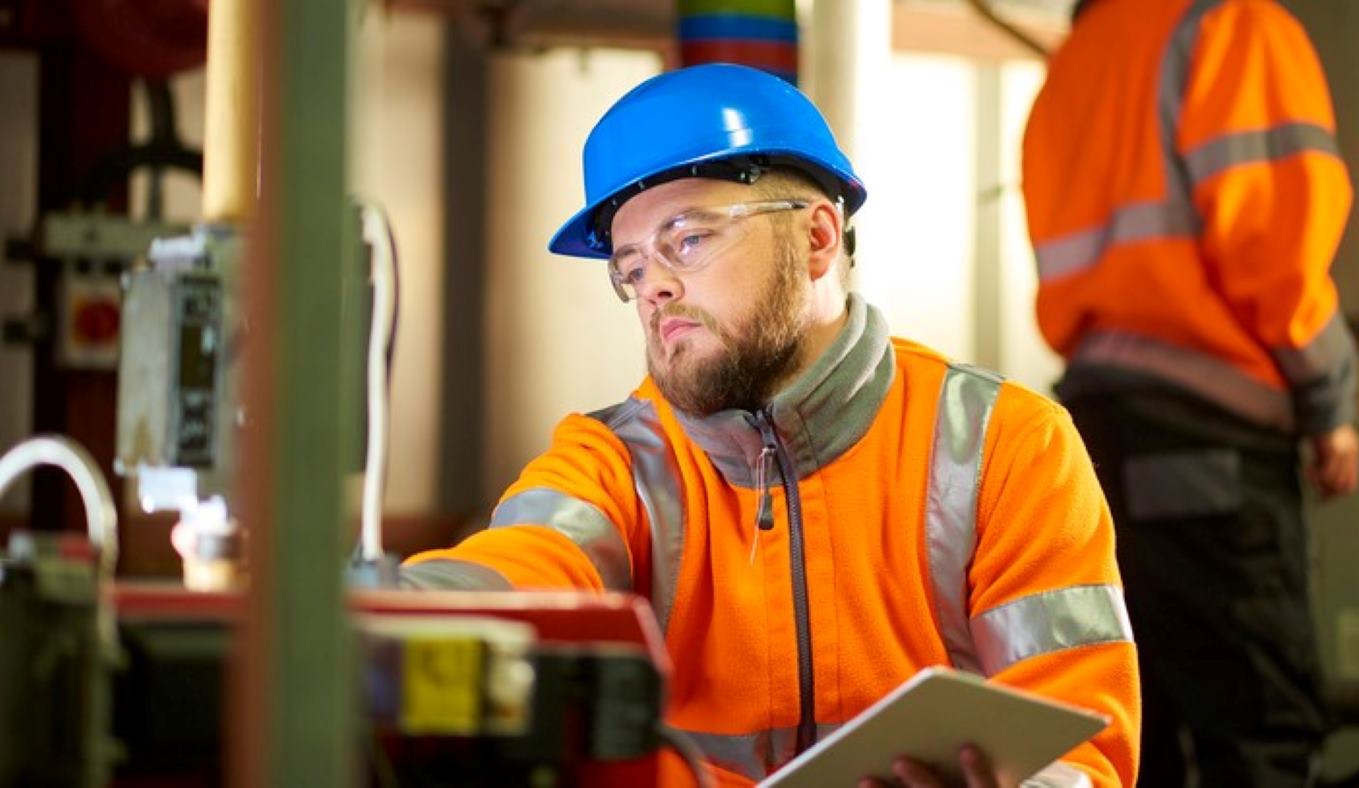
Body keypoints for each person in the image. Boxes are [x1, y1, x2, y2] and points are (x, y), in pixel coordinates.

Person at [405, 63, 1139, 787]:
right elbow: (514, 570)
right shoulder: (615, 464)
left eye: (686, 239)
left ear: (819, 237)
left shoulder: (1003, 444)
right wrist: (372, 611)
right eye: (630, 268)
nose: (653, 286)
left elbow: (1083, 749)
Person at [1022, 1, 1359, 785]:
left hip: (1095, 439)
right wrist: (1328, 398)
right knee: (1256, 733)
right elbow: (1277, 250)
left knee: (1140, 735)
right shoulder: (1232, 27)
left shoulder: (1073, 65)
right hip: (1212, 438)